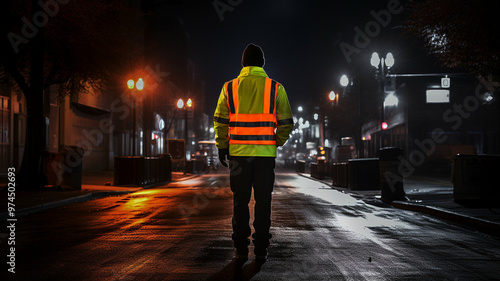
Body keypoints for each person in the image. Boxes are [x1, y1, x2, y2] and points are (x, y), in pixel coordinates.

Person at [213, 43, 294, 261]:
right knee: (263, 201)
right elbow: (286, 122)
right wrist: (276, 141)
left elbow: (220, 120)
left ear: (242, 63)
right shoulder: (276, 88)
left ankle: (240, 247)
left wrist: (222, 146)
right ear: (262, 64)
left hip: (238, 155)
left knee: (240, 200)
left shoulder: (229, 88)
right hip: (265, 157)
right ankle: (260, 247)